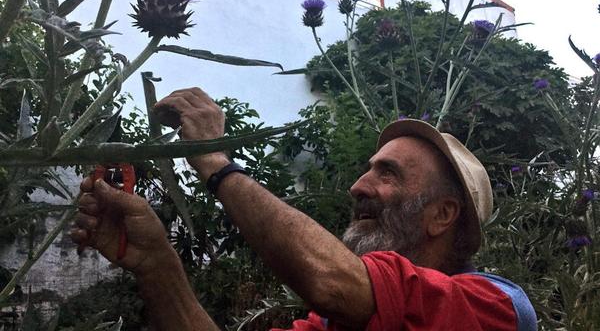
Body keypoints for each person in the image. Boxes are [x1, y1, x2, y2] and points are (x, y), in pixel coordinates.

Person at [71, 87, 537, 330]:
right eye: (367, 170)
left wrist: (215, 162)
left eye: (388, 173)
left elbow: (333, 283)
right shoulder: (332, 325)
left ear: (442, 215)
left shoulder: (494, 309)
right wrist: (155, 262)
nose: (357, 186)